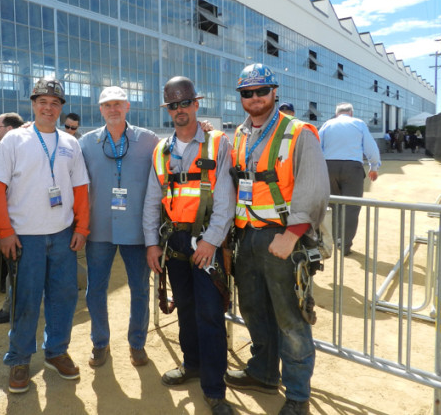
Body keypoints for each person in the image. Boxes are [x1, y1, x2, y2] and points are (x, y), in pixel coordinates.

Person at [225, 63, 329, 415]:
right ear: (241, 97)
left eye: (260, 91)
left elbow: (313, 187)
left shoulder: (298, 132)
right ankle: (263, 372)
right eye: (247, 93)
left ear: (274, 92)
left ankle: (298, 395)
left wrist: (292, 234)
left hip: (283, 238)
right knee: (253, 309)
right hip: (248, 237)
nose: (254, 98)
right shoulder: (239, 135)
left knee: (290, 318)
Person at [0, 78, 90, 394]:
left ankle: (56, 351)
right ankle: (19, 358)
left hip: (61, 235)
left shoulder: (70, 143)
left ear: (61, 108)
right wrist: (4, 231)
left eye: (55, 102)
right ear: (33, 104)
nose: (49, 107)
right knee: (25, 301)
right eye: (42, 101)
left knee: (64, 297)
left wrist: (82, 228)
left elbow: (81, 189)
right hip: (25, 238)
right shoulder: (14, 141)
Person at [143, 76, 235, 415]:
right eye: (173, 105)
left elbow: (225, 199)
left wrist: (211, 241)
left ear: (196, 104)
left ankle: (214, 388)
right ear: (167, 109)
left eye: (185, 103)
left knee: (210, 313)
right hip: (174, 243)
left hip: (206, 241)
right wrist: (152, 244)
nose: (179, 110)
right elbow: (153, 200)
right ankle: (192, 364)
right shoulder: (162, 150)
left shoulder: (216, 143)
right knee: (184, 307)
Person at [78, 86, 159, 368]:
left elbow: (176, 150)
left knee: (140, 289)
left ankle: (137, 343)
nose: (113, 109)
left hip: (137, 231)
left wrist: (206, 128)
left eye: (118, 104)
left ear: (127, 107)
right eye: (107, 105)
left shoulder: (149, 141)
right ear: (100, 110)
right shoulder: (86, 143)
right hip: (99, 229)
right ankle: (100, 343)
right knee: (95, 289)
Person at [319, 102, 380, 256]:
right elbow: (370, 147)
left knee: (332, 205)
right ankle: (344, 245)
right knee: (351, 208)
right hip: (352, 167)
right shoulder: (358, 123)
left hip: (328, 166)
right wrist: (374, 166)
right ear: (351, 113)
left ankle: (330, 240)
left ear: (336, 113)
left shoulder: (327, 124)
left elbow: (317, 146)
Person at [0, 112, 25, 325]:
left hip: (17, 223)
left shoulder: (13, 148)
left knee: (15, 270)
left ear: (9, 129)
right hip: (14, 222)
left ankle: (11, 309)